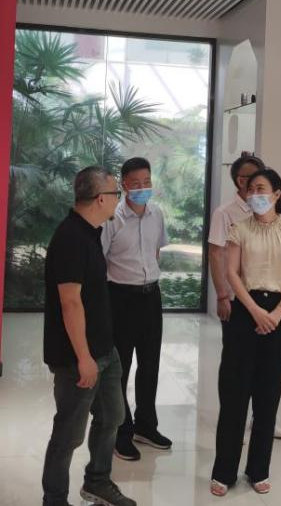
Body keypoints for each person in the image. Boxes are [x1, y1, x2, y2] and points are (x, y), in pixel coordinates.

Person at [41, 166, 136, 506]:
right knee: (68, 433)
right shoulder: (70, 238)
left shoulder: (91, 232)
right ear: (100, 199)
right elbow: (70, 303)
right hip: (76, 356)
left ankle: (97, 482)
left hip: (104, 349)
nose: (119, 200)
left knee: (112, 416)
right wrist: (83, 357)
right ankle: (54, 499)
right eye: (116, 194)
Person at [211, 169, 281, 497]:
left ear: (277, 194)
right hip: (244, 313)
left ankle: (258, 470)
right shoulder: (239, 228)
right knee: (234, 396)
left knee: (268, 397)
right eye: (251, 190)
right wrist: (254, 310)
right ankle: (224, 472)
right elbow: (232, 273)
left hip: (278, 315)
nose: (254, 195)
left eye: (261, 189)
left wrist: (278, 312)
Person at [207, 154, 281, 440]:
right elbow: (216, 254)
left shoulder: (277, 213)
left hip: (269, 300)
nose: (249, 184)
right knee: (235, 364)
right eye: (244, 179)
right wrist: (222, 295)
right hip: (237, 298)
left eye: (255, 179)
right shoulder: (226, 213)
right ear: (237, 181)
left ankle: (263, 419)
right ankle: (235, 420)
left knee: (267, 365)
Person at [101, 157, 172, 461]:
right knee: (121, 368)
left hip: (150, 296)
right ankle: (121, 431)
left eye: (147, 182)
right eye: (135, 183)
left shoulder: (157, 214)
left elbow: (155, 250)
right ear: (124, 185)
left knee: (150, 364)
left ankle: (146, 425)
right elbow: (99, 260)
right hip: (120, 298)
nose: (142, 188)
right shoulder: (112, 218)